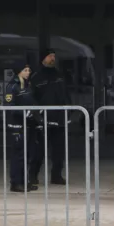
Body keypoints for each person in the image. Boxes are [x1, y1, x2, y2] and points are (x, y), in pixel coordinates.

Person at [29, 49, 69, 185]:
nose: (52, 58)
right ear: (43, 59)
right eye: (49, 56)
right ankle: (32, 175)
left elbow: (66, 95)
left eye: (54, 56)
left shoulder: (60, 75)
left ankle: (56, 176)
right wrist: (36, 115)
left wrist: (69, 111)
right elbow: (31, 97)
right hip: (42, 119)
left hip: (59, 118)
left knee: (59, 150)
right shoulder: (36, 76)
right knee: (38, 150)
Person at [5, 64, 39, 192]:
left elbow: (31, 101)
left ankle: (25, 181)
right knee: (18, 155)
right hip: (17, 125)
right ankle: (15, 183)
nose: (28, 72)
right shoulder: (12, 86)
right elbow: (9, 106)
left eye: (29, 70)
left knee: (27, 154)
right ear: (18, 72)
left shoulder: (27, 85)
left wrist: (36, 112)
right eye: (25, 70)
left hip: (28, 124)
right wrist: (24, 112)